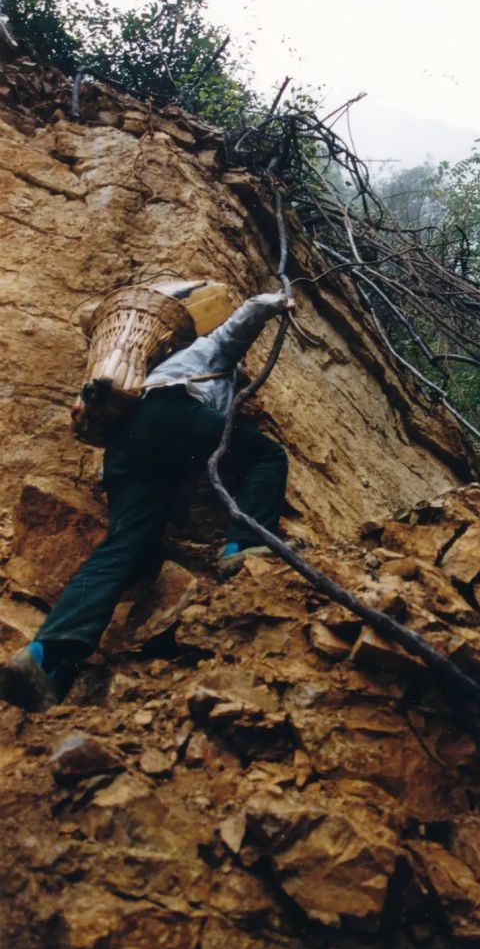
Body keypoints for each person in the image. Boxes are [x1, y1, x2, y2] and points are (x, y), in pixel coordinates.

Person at [0, 289, 293, 712]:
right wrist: (274, 302)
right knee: (268, 455)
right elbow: (239, 326)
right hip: (169, 412)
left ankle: (45, 654)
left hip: (123, 453)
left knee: (125, 547)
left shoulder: (141, 381)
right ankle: (241, 547)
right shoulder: (202, 350)